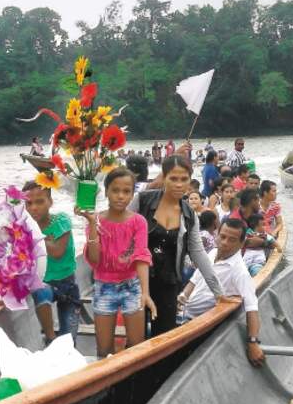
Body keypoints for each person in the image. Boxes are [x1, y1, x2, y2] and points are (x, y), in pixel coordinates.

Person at [131, 155, 224, 336]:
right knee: (135, 341)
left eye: (184, 179)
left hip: (168, 284)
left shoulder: (189, 215)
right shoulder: (142, 201)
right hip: (135, 283)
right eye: (173, 178)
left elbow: (199, 254)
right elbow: (121, 230)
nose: (179, 184)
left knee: (164, 338)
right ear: (163, 177)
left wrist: (219, 293)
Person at [77, 168, 155, 358]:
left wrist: (145, 293)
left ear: (132, 194)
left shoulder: (139, 222)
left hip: (132, 287)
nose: (120, 196)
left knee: (137, 348)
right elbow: (95, 260)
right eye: (115, 190)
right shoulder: (96, 221)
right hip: (103, 287)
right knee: (103, 351)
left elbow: (141, 257)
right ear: (106, 192)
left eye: (126, 191)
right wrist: (93, 225)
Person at [176, 218, 265, 366]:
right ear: (217, 234)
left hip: (195, 323)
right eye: (222, 237)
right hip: (181, 312)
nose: (224, 242)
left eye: (232, 240)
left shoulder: (239, 272)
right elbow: (193, 281)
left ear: (242, 243)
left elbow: (252, 308)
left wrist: (253, 342)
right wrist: (183, 296)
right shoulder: (212, 253)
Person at [24, 181, 81, 345]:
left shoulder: (61, 220)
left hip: (68, 286)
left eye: (40, 201)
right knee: (39, 289)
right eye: (29, 203)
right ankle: (50, 338)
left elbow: (57, 252)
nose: (34, 207)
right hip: (45, 286)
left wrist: (32, 238)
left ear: (50, 202)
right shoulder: (22, 228)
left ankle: (63, 346)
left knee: (69, 342)